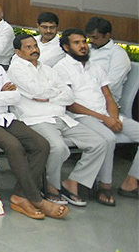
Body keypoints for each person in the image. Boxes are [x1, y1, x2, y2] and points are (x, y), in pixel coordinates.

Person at [0, 30, 66, 219]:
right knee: (14, 146)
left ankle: (21, 196)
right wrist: (1, 95)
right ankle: (37, 200)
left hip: (5, 117)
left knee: (41, 144)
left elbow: (14, 98)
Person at [8, 33, 103, 214]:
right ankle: (51, 187)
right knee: (58, 147)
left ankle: (73, 182)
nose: (34, 50)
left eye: (34, 46)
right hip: (36, 118)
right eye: (28, 47)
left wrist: (47, 96)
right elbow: (36, 90)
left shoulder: (48, 69)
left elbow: (68, 95)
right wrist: (53, 93)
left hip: (61, 117)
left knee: (99, 143)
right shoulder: (16, 69)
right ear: (18, 52)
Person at [54, 28, 139, 205]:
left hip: (106, 114)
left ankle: (130, 182)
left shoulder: (96, 67)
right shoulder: (61, 68)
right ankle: (105, 186)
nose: (83, 46)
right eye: (77, 43)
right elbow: (70, 104)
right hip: (81, 116)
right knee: (108, 138)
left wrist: (113, 117)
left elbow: (108, 96)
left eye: (84, 42)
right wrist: (104, 118)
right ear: (66, 47)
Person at [85, 17, 131, 102]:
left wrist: (85, 93)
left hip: (103, 99)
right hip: (80, 93)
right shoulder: (87, 49)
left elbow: (112, 84)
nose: (91, 40)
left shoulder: (118, 54)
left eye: (95, 37)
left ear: (107, 35)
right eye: (89, 37)